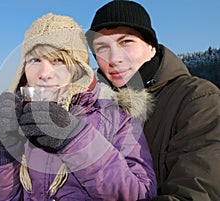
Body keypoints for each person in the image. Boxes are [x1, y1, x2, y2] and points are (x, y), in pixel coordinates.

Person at [0, 13, 157, 200]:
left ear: (79, 69)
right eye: (35, 60)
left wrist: (75, 139)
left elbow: (141, 194)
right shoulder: (17, 119)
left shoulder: (116, 119)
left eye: (59, 60)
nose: (45, 73)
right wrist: (2, 152)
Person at [85, 1, 220, 200]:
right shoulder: (93, 107)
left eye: (126, 42)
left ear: (151, 47)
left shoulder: (197, 99)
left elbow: (197, 193)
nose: (114, 58)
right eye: (102, 47)